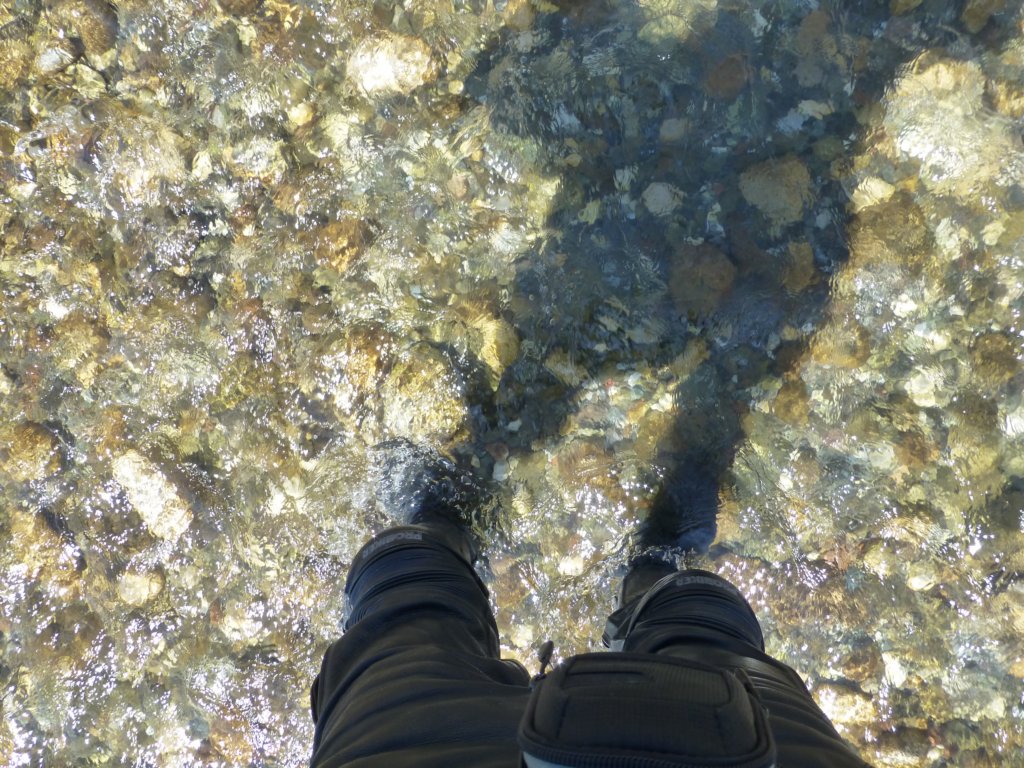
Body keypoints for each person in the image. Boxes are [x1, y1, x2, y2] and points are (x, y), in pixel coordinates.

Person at [309, 443, 872, 767]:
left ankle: (445, 526)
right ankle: (657, 572)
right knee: (708, 628)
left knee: (403, 609)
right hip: (738, 750)